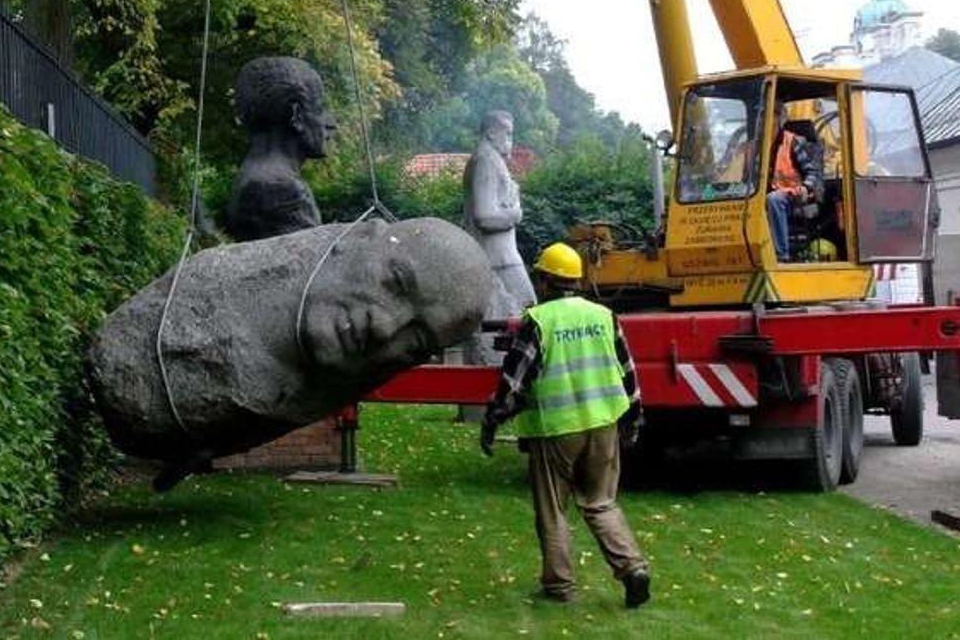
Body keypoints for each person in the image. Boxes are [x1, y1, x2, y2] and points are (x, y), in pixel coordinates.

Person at [88, 217, 493, 488]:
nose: (386, 327)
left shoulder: (282, 403)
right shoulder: (211, 292)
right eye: (396, 282)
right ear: (357, 238)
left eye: (416, 340)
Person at [479, 242, 650, 608]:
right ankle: (633, 568)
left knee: (553, 510)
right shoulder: (603, 315)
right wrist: (634, 417)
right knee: (601, 503)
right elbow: (627, 371)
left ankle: (560, 586)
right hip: (604, 423)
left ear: (546, 281)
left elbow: (514, 381)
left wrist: (493, 420)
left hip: (556, 429)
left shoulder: (539, 320)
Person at [226, 57, 337, 241]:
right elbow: (312, 256)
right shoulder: (281, 189)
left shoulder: (253, 176)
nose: (332, 124)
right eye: (320, 108)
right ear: (296, 116)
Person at [463, 110, 536, 311]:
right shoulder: (486, 160)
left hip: (498, 255)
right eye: (508, 133)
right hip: (497, 258)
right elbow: (484, 217)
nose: (511, 140)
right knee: (526, 309)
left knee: (505, 313)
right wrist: (515, 215)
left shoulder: (490, 159)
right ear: (491, 133)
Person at [767, 103, 822, 262]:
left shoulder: (792, 142)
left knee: (774, 199)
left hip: (794, 196)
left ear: (779, 119)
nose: (768, 120)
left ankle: (781, 255)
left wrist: (806, 187)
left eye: (772, 115)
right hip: (766, 194)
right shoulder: (758, 145)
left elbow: (812, 172)